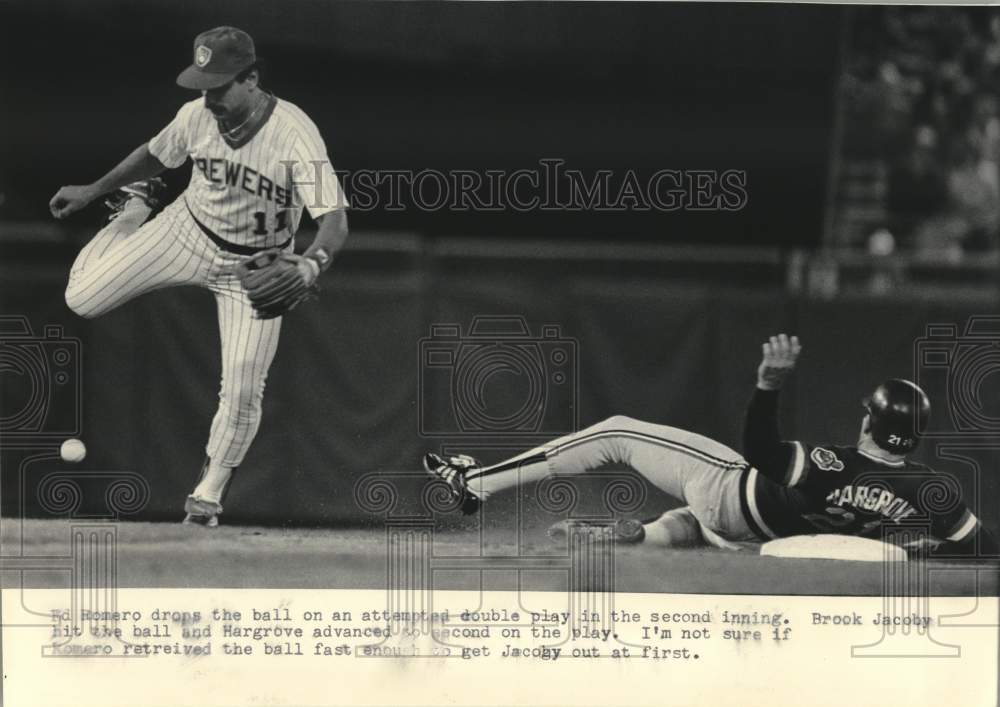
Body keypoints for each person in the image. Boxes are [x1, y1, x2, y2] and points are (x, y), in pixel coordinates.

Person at [49, 26, 351, 527]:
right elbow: (156, 152)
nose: (208, 96)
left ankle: (206, 498)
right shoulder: (195, 115)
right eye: (203, 84)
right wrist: (93, 188)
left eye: (220, 85)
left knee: (243, 388)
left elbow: (335, 219)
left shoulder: (294, 133)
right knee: (82, 299)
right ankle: (131, 210)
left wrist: (311, 261)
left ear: (252, 79)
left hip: (252, 268)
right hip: (186, 231)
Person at [424, 334, 997, 555]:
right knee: (690, 527)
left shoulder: (834, 463)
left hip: (729, 489)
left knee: (617, 432)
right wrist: (927, 550)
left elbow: (762, 452)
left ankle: (473, 483)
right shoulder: (931, 492)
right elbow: (985, 547)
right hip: (754, 539)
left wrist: (768, 388)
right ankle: (642, 535)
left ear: (870, 421)